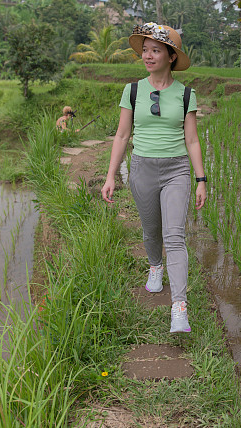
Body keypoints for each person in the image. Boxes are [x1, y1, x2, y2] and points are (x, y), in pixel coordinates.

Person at [101, 22, 207, 333]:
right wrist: (110, 176)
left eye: (155, 51)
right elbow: (122, 135)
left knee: (174, 236)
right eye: (145, 50)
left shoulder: (186, 95)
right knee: (151, 230)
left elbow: (192, 140)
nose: (147, 55)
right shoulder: (133, 90)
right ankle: (155, 267)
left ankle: (179, 307)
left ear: (171, 57)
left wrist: (201, 180)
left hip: (176, 170)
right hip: (142, 168)